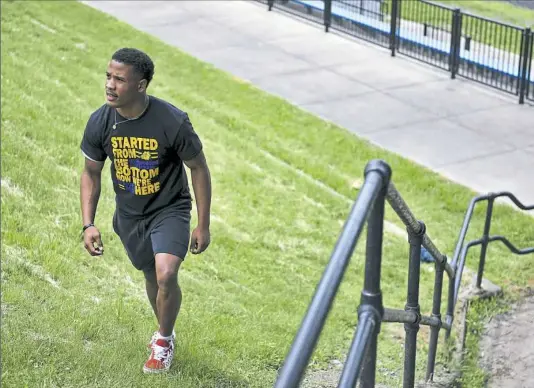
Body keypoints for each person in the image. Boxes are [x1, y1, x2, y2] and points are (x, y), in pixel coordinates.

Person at [79, 47, 212, 374]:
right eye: (108, 76)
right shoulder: (101, 121)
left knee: (166, 272)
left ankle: (163, 340)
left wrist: (203, 224)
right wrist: (88, 223)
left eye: (119, 79)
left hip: (170, 209)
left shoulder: (172, 121)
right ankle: (166, 328)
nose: (110, 85)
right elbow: (91, 173)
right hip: (130, 216)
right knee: (152, 274)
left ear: (141, 85)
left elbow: (199, 168)